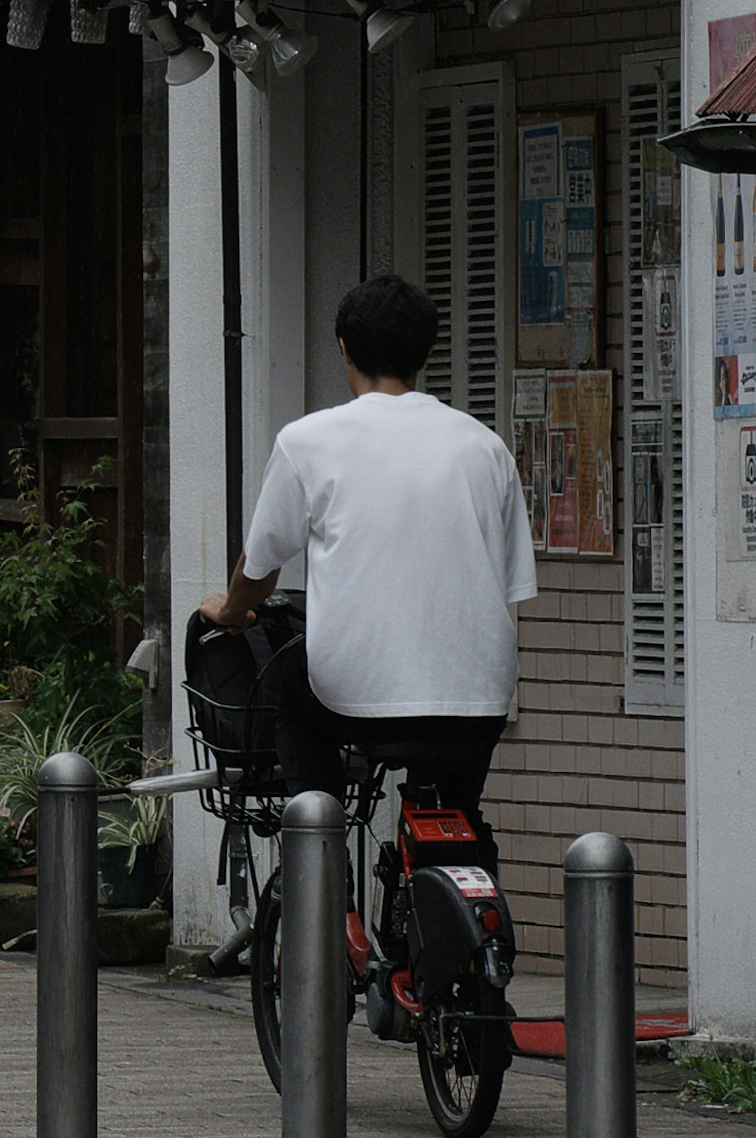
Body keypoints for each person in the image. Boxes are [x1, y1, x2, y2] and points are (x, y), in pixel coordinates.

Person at [194, 269, 530, 831]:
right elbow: (510, 588)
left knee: (286, 692)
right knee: (460, 816)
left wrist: (230, 611)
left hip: (354, 696)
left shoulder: (308, 441)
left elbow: (260, 570)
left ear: (344, 351)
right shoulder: (486, 448)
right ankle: (468, 860)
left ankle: (321, 867)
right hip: (479, 697)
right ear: (426, 352)